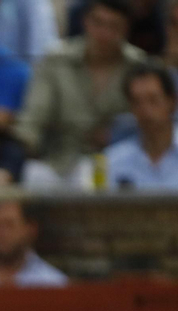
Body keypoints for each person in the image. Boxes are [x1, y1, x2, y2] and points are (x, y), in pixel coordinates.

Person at [14, 0, 147, 185]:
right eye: (98, 23)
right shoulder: (56, 60)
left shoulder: (138, 66)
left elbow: (146, 119)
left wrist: (117, 133)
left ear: (126, 29)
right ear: (86, 22)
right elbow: (34, 118)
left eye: (114, 26)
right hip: (58, 159)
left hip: (118, 162)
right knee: (30, 175)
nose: (104, 34)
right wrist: (23, 147)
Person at [105, 62, 178, 187]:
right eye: (137, 102)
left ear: (172, 101)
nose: (145, 110)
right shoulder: (112, 162)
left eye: (153, 100)